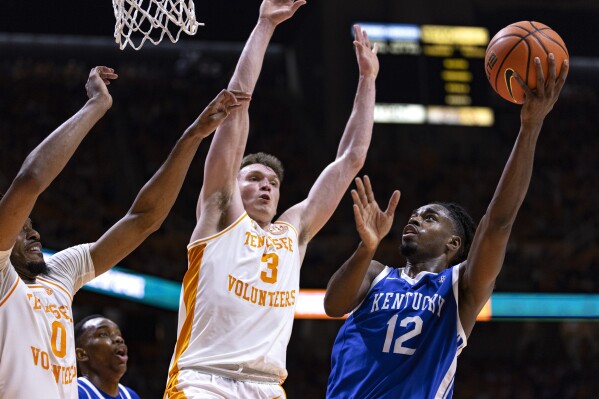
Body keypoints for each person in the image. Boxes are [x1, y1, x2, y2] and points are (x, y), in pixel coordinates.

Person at [163, 1, 379, 397]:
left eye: (273, 182)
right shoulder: (219, 213)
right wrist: (264, 25)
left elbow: (351, 159)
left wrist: (368, 79)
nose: (266, 186)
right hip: (202, 382)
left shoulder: (292, 233)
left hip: (267, 386)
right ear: (234, 184)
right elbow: (236, 105)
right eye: (255, 178)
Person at [324, 54, 569, 398]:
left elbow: (498, 222)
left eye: (429, 218)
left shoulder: (460, 288)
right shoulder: (376, 272)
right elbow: (333, 306)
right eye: (415, 215)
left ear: (453, 243)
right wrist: (366, 247)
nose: (414, 218)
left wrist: (530, 127)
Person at [0, 65, 247, 398]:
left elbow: (143, 219)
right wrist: (95, 107)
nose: (34, 235)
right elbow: (30, 181)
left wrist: (193, 136)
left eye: (34, 227)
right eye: (22, 228)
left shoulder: (59, 272)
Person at [75, 314, 140, 399]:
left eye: (119, 335)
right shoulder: (74, 393)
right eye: (103, 334)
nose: (119, 339)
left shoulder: (131, 396)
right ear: (81, 354)